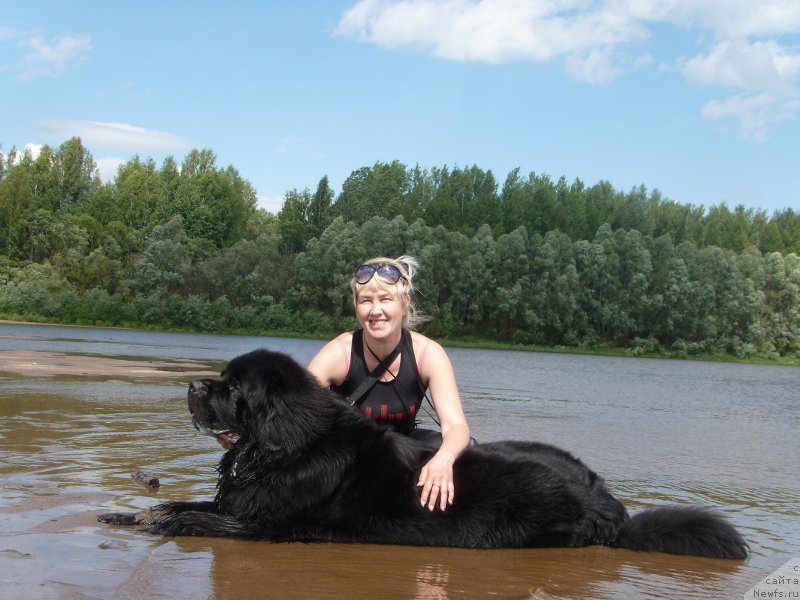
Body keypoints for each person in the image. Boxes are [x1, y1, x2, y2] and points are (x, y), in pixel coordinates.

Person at [308, 255, 471, 513]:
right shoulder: (338, 353)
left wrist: (443, 460)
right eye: (366, 301)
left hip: (402, 450)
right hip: (350, 454)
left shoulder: (428, 353)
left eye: (385, 299)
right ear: (356, 306)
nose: (375, 311)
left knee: (466, 452)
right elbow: (291, 408)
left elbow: (457, 427)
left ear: (404, 304)